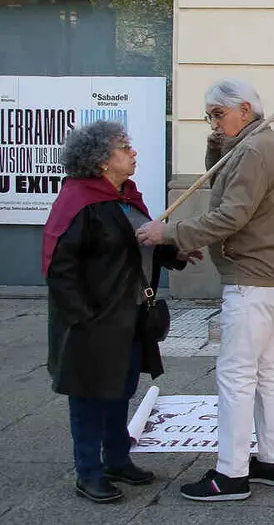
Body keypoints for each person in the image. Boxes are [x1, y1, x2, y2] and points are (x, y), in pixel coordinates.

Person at [136, 79, 274, 501]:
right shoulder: (260, 144)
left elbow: (230, 215)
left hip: (252, 277)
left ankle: (231, 474)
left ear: (244, 109)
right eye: (209, 116)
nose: (213, 122)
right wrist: (216, 145)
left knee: (236, 375)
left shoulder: (254, 150)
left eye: (218, 114)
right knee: (266, 371)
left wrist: (169, 233)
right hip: (271, 275)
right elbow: (223, 180)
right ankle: (272, 460)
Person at [44, 121, 195, 503]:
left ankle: (116, 459)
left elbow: (135, 245)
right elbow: (60, 268)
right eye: (124, 147)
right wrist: (84, 319)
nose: (133, 152)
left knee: (120, 389)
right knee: (88, 395)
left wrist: (174, 252)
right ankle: (88, 473)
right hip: (94, 319)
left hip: (130, 315)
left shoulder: (124, 196)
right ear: (101, 161)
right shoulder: (79, 201)